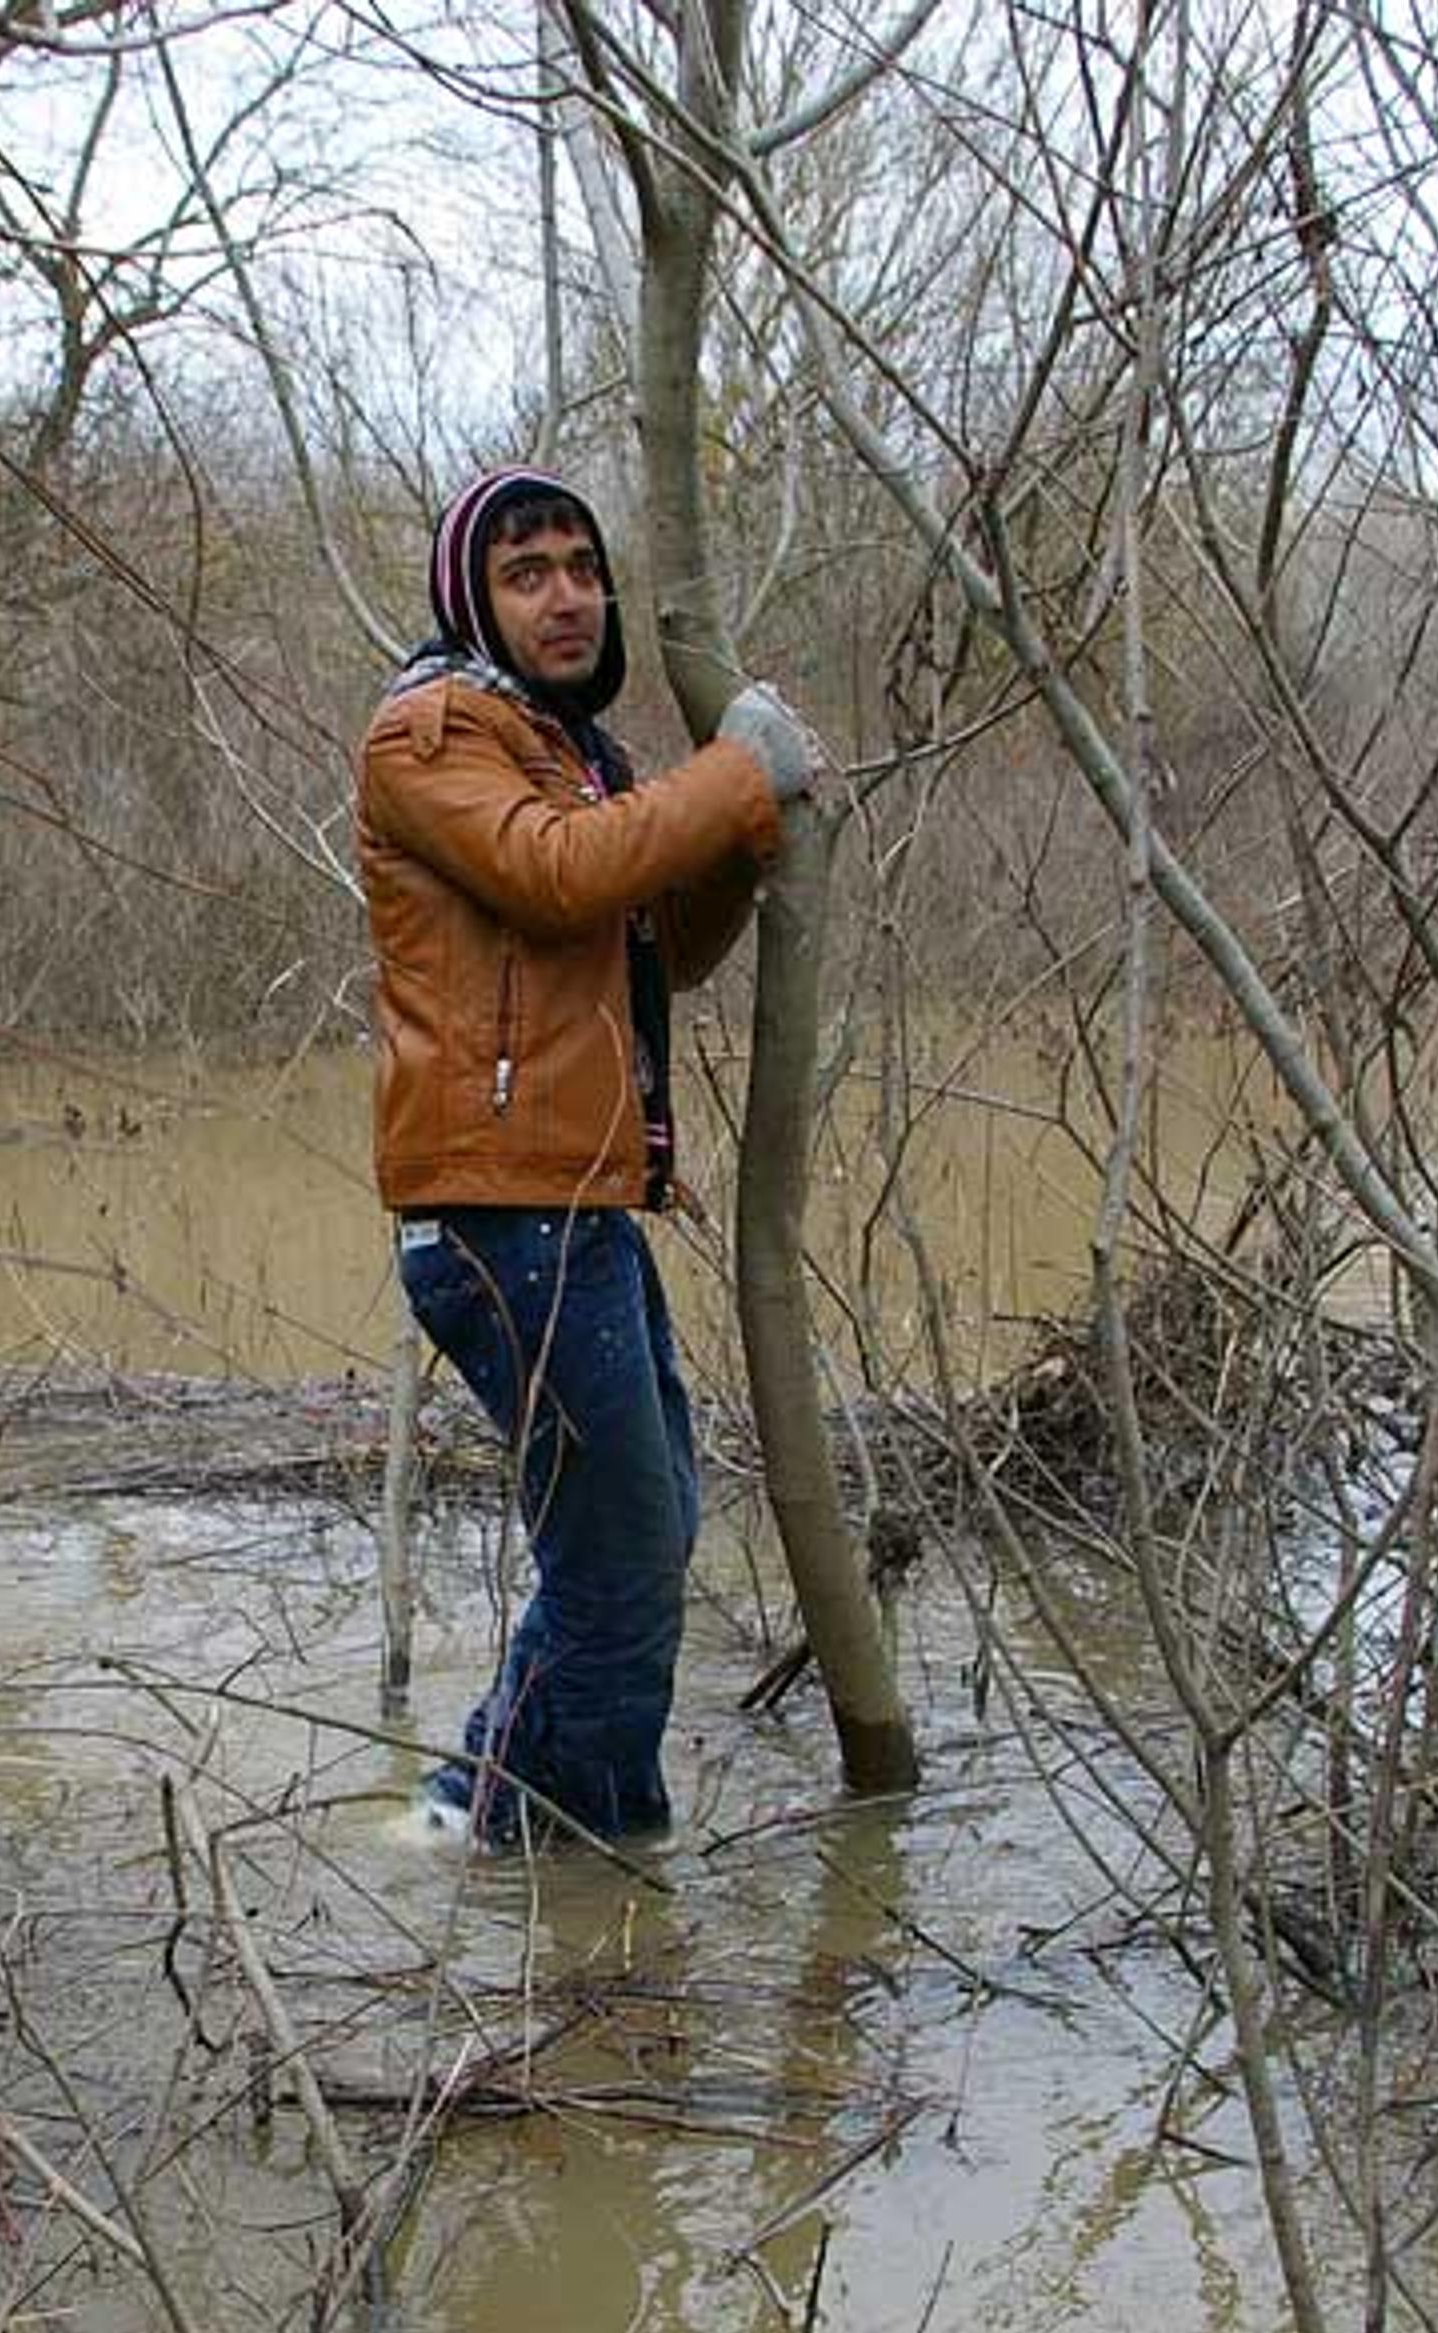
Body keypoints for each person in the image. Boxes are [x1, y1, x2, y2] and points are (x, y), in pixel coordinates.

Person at [355, 463, 825, 1848]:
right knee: (620, 1555)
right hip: (500, 1218)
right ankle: (567, 1853)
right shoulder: (430, 729)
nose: (565, 595)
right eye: (526, 572)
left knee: (648, 1528)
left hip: (572, 1208)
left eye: (580, 565)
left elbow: (655, 951)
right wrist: (738, 773)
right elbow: (561, 873)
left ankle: (491, 1815)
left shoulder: (575, 760)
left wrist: (749, 837)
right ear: (471, 599)